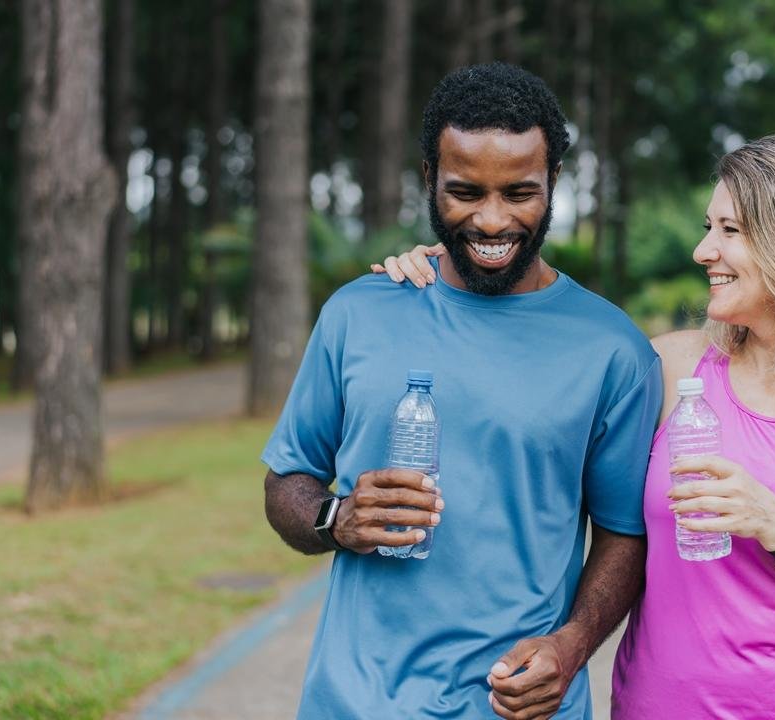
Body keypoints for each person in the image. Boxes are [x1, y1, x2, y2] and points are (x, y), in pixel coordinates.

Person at [374, 132, 775, 719]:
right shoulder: (670, 368)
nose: (703, 251)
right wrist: (447, 277)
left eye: (729, 231)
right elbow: (528, 386)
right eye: (709, 227)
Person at [262, 63, 662, 720]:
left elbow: (625, 534)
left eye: (520, 192)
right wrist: (337, 519)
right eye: (465, 192)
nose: (493, 220)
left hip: (518, 707)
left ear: (555, 182)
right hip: (355, 702)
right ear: (428, 179)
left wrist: (573, 644)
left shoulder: (612, 349)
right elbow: (286, 482)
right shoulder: (358, 313)